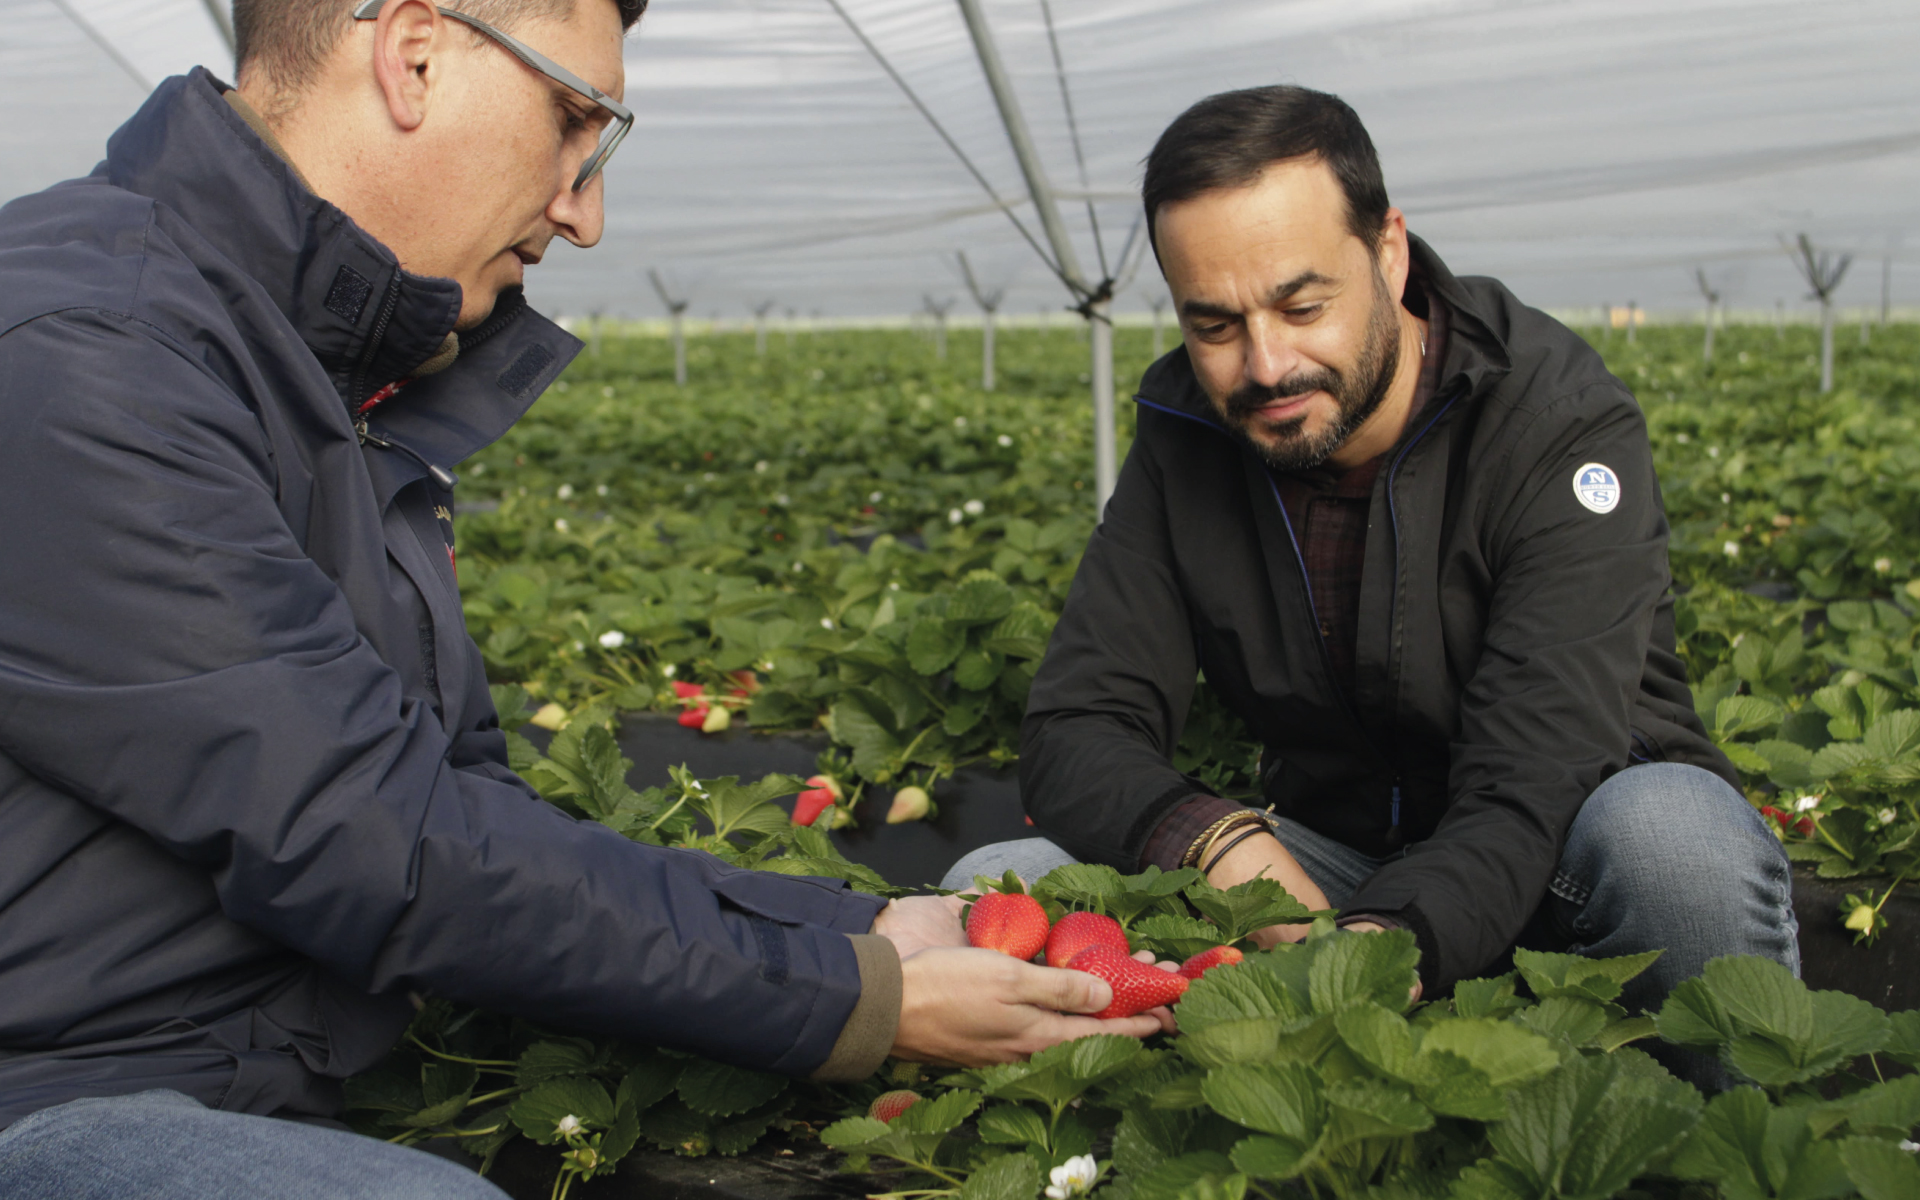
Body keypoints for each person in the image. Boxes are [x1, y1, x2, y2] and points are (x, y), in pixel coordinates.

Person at [0, 3, 1166, 1195]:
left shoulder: (312, 367)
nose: (585, 213)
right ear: (412, 54)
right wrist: (853, 998)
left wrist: (852, 933)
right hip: (53, 1097)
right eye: (574, 123)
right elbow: (370, 836)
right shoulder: (88, 352)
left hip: (255, 1063)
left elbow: (451, 801)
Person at [945, 86, 1796, 1080]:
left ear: (1389, 252)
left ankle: (1720, 1141)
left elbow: (1535, 774)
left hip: (1559, 859)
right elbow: (1077, 727)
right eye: (1213, 325)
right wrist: (1223, 847)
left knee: (1675, 838)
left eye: (1302, 306)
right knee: (994, 889)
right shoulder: (1188, 435)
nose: (1265, 364)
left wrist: (1380, 951)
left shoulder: (1551, 421)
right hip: (1328, 866)